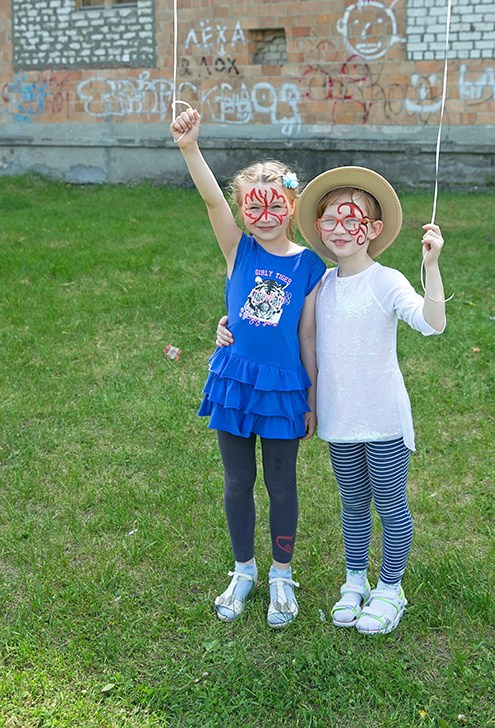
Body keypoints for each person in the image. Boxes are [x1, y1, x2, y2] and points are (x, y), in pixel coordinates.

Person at [217, 165, 446, 635]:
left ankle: (391, 588)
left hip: (382, 418)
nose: (340, 229)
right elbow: (286, 329)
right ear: (317, 225)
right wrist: (228, 326)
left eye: (351, 220)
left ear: (373, 229)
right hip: (340, 419)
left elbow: (432, 322)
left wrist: (432, 266)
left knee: (389, 503)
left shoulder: (387, 281)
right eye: (330, 220)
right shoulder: (319, 283)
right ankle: (355, 580)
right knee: (353, 504)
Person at [170, 106, 326, 628]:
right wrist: (190, 147)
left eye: (274, 205)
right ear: (241, 210)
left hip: (283, 392)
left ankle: (281, 573)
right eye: (252, 206)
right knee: (237, 482)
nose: (264, 215)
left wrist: (311, 397)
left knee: (281, 485)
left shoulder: (309, 265)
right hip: (235, 382)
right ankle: (243, 570)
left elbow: (307, 335)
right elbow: (211, 199)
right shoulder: (237, 249)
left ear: (291, 206)